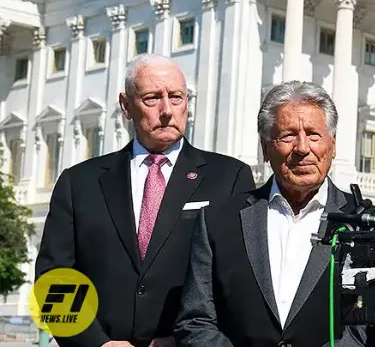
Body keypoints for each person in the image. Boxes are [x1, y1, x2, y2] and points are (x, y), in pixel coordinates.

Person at [34, 54, 256, 347]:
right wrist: (96, 343)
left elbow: (240, 281)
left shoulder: (229, 178)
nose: (167, 110)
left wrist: (183, 340)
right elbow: (55, 278)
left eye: (177, 97)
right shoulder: (79, 183)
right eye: (152, 98)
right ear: (126, 105)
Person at [174, 81, 375, 347]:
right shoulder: (218, 220)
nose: (302, 148)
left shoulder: (366, 225)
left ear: (332, 145)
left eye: (313, 135)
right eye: (287, 135)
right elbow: (195, 321)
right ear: (265, 147)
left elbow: (369, 328)